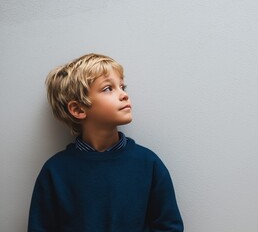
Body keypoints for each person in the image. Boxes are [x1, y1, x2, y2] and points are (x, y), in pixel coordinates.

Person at [28, 53, 184, 232]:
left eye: (123, 86)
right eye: (108, 88)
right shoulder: (55, 171)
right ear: (78, 109)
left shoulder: (148, 163)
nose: (124, 94)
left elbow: (169, 226)